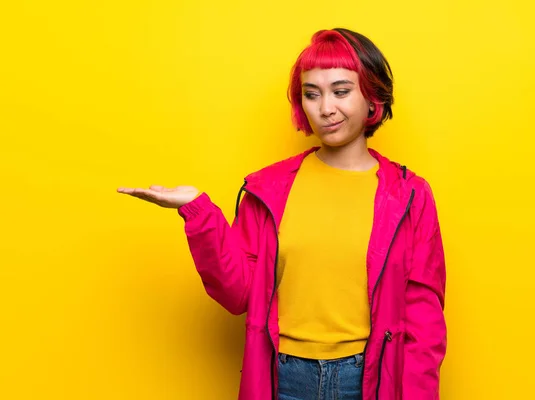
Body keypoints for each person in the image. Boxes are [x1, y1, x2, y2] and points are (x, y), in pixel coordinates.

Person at [118, 28, 446, 400]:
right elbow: (238, 291)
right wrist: (198, 211)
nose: (325, 108)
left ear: (372, 99)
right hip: (284, 377)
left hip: (368, 379)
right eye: (312, 94)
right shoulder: (269, 188)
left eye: (340, 91)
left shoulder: (408, 194)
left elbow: (425, 319)